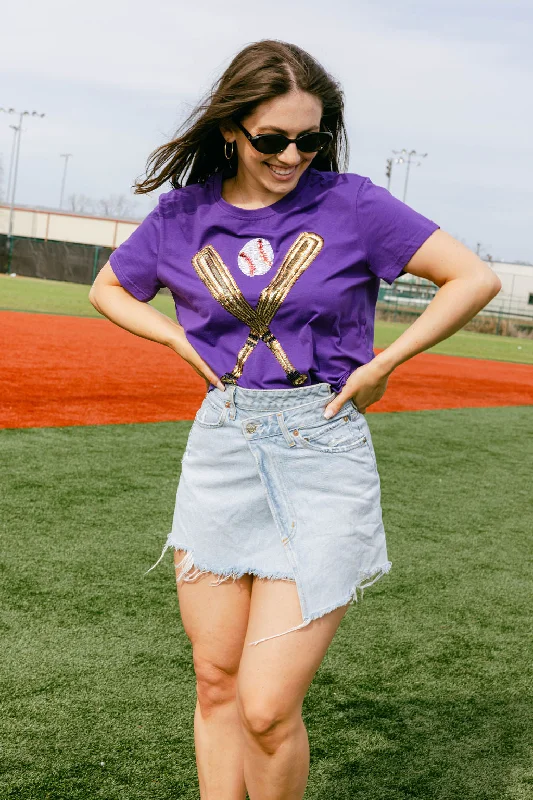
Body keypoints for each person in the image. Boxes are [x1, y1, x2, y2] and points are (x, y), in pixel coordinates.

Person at [89, 38, 501, 800]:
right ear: (230, 130)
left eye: (309, 139)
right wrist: (176, 337)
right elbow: (108, 289)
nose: (291, 156)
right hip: (222, 447)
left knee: (267, 706)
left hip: (320, 449)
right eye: (271, 139)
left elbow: (471, 277)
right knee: (215, 683)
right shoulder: (184, 213)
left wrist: (382, 365)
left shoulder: (352, 203)